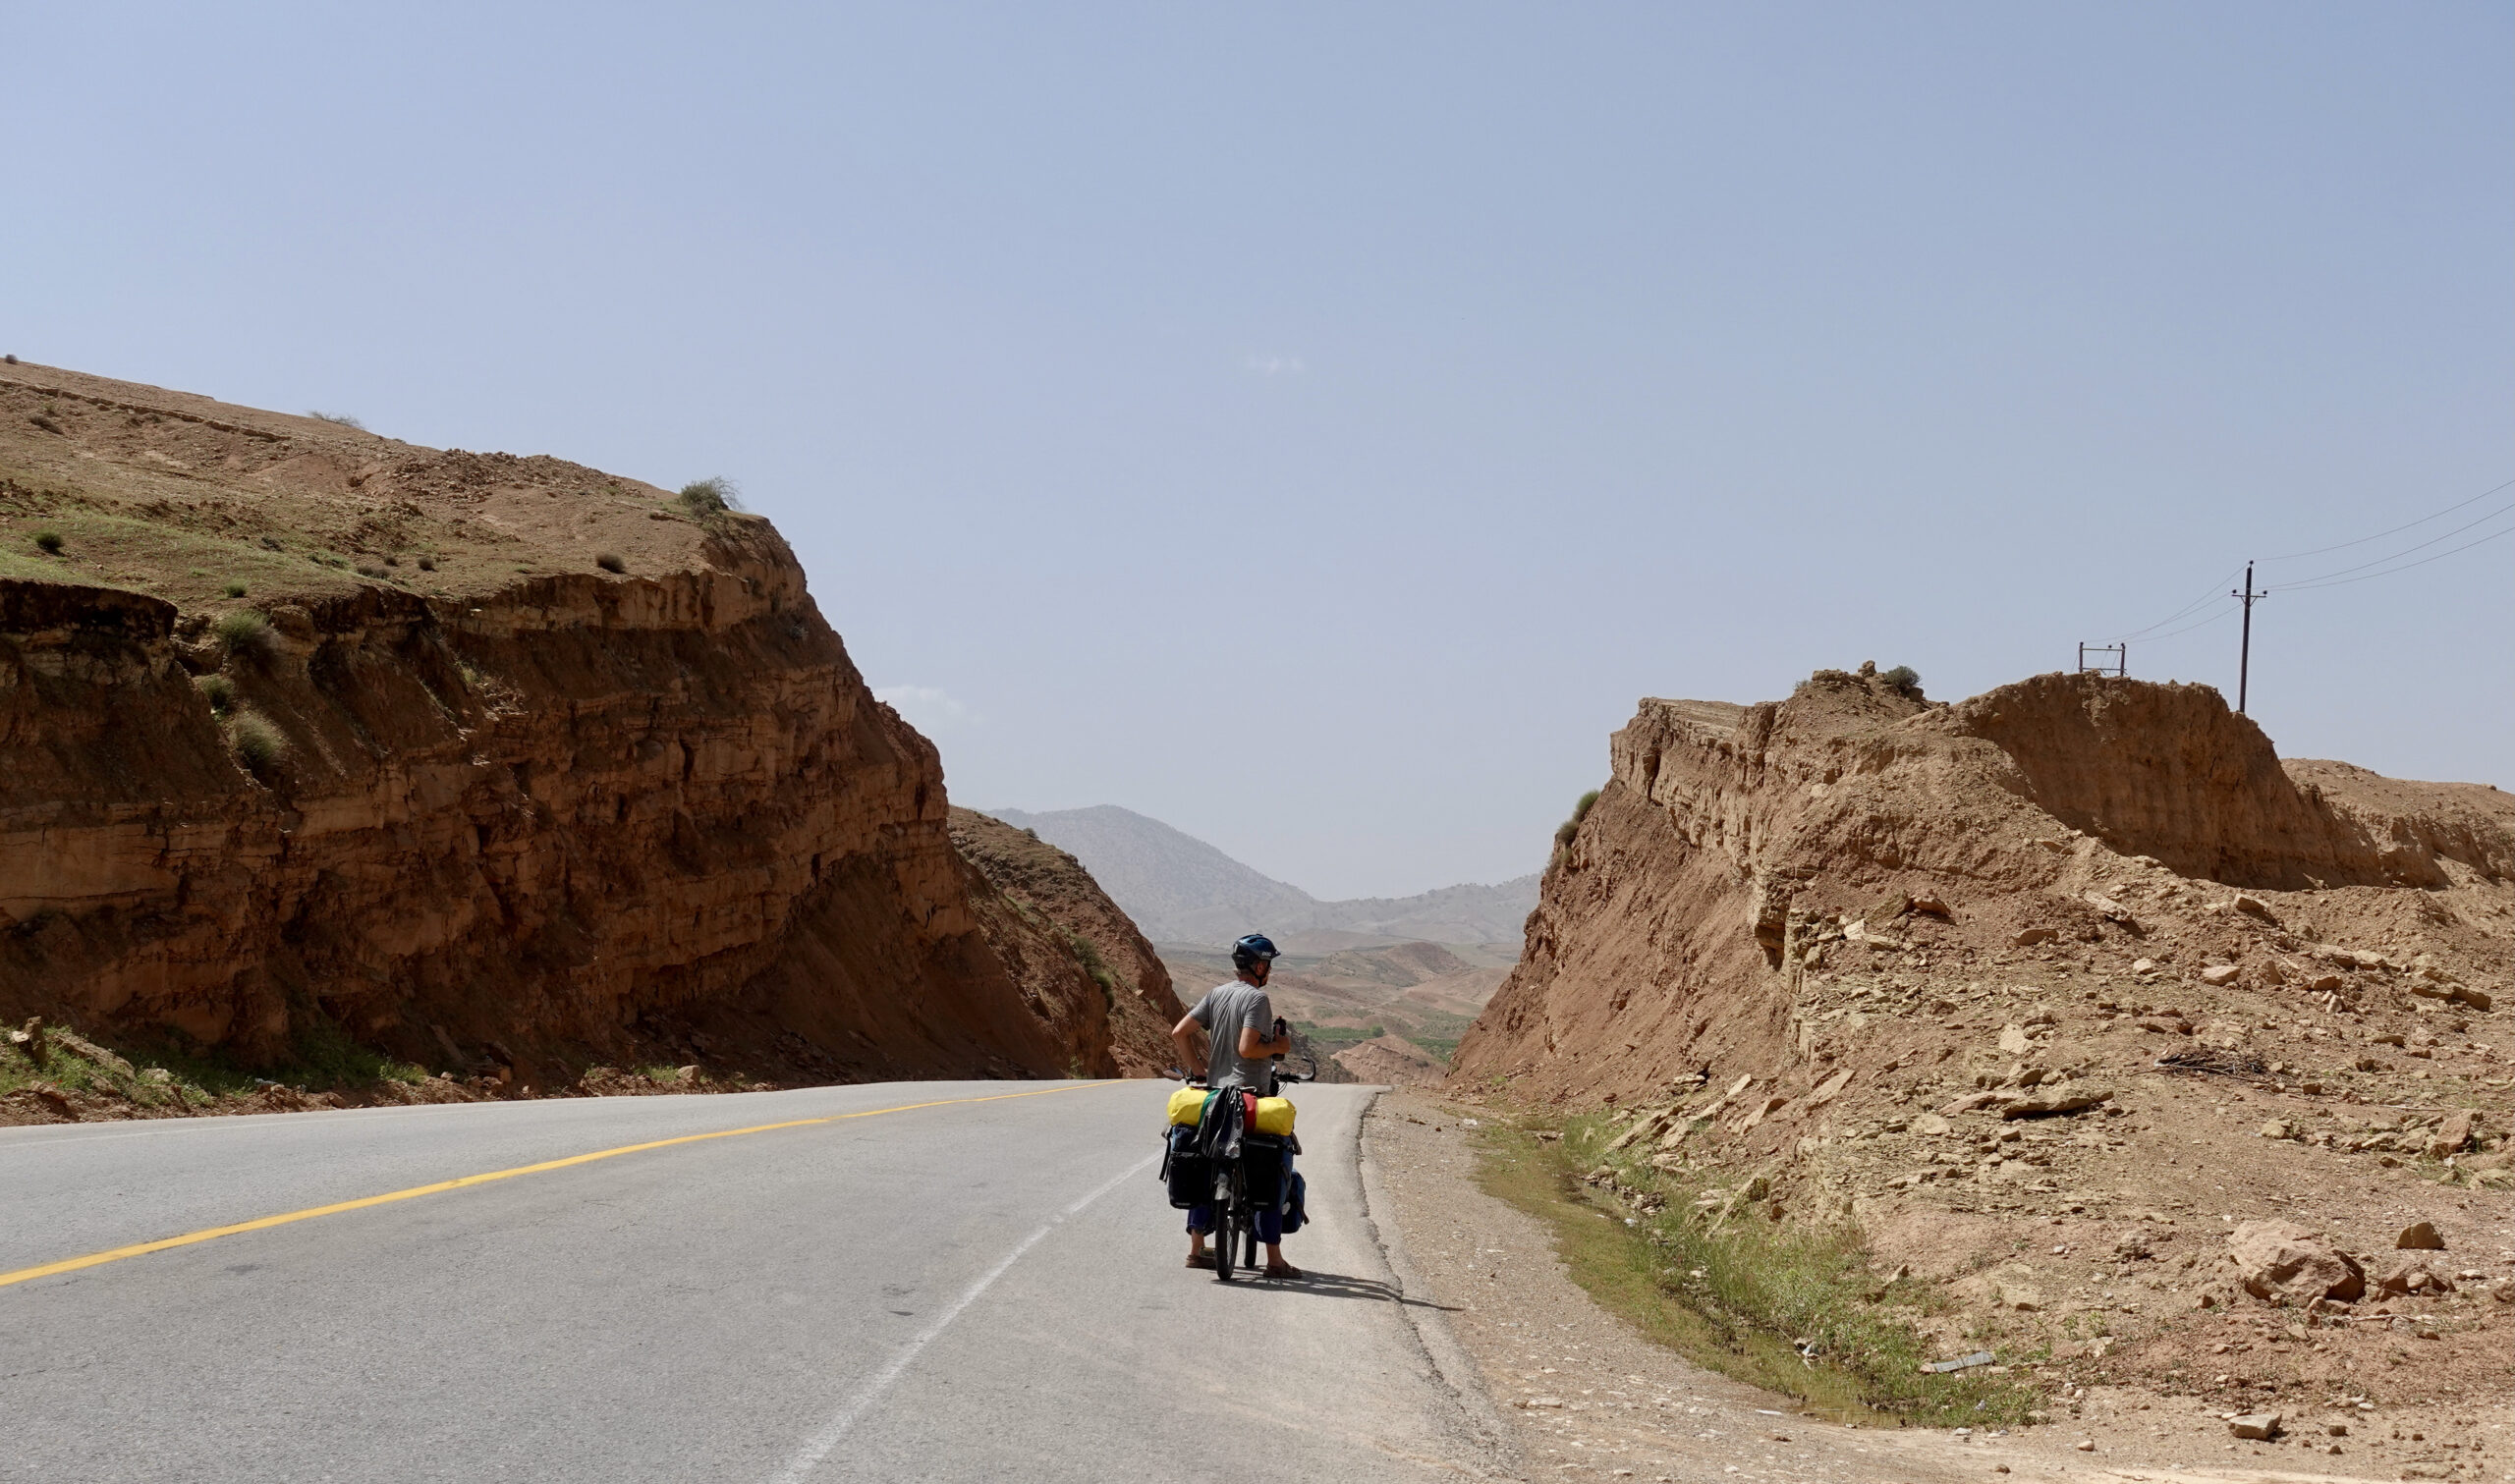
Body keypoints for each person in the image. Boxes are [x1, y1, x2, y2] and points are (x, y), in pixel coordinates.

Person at [1171, 933, 1302, 1279]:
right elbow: (1247, 1049)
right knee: (1276, 1161)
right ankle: (1274, 1261)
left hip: (1214, 1097)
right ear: (1259, 966)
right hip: (1248, 1098)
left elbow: (1179, 1033)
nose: (1268, 970)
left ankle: (1197, 1249)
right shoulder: (1258, 999)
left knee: (1205, 1159)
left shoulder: (1216, 994)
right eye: (1268, 964)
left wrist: (1198, 1071)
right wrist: (1278, 1045)